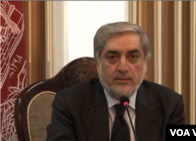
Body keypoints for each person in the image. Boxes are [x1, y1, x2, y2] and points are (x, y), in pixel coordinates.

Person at [46, 22, 185, 141]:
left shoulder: (170, 104)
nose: (123, 68)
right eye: (112, 57)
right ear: (98, 63)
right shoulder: (69, 103)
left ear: (145, 64)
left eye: (133, 57)